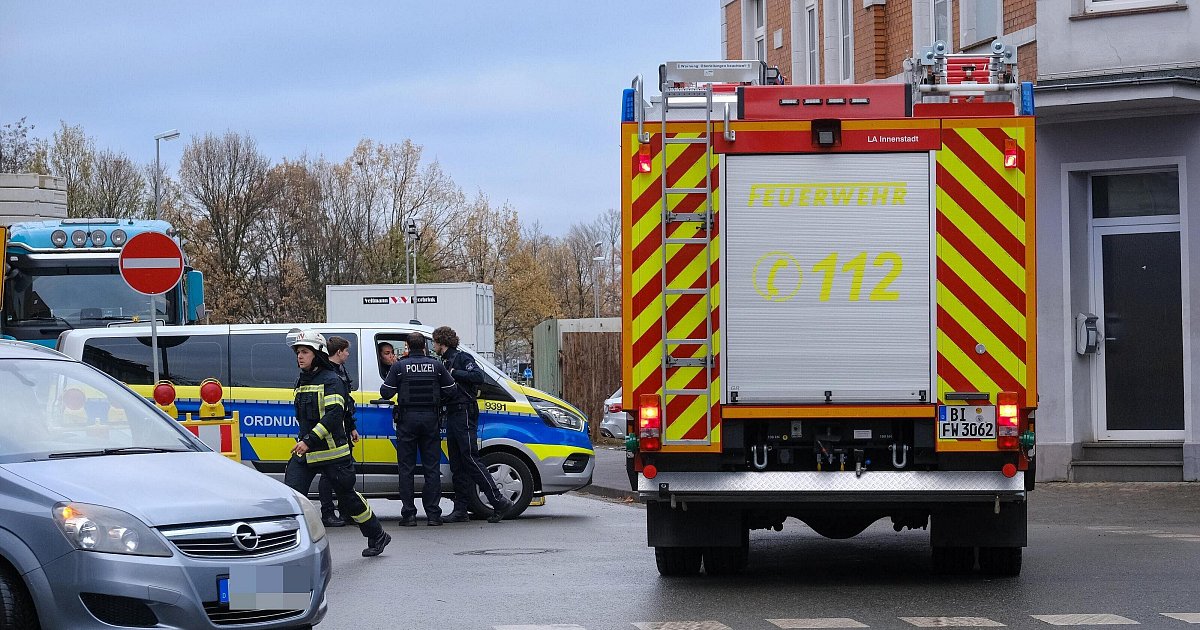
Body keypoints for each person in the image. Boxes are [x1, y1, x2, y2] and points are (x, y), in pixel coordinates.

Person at [284, 330, 390, 557]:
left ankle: (377, 534)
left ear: (318, 354)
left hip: (332, 453)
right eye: (298, 352)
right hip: (306, 452)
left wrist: (309, 441)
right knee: (292, 497)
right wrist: (305, 442)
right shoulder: (302, 381)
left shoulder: (332, 380)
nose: (299, 357)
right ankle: (293, 547)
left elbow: (333, 416)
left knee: (348, 497)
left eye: (304, 352)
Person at [433, 326, 514, 524]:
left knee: (470, 458)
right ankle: (460, 508)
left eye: (435, 342)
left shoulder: (461, 358)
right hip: (452, 413)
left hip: (464, 412)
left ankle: (498, 500)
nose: (433, 346)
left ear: (442, 343)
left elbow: (478, 377)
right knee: (457, 464)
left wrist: (455, 372)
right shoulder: (443, 360)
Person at [380, 333, 458, 527]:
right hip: (431, 419)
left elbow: (385, 392)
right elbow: (451, 389)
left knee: (406, 468)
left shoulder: (399, 366)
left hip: (407, 421)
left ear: (407, 346)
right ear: (425, 346)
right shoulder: (436, 365)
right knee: (432, 468)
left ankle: (409, 515)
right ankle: (433, 515)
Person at [317, 335, 359, 527]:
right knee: (328, 474)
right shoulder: (327, 373)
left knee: (343, 473)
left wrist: (352, 428)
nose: (348, 354)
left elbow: (346, 403)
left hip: (342, 429)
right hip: (330, 431)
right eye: (346, 351)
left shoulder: (340, 371)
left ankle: (345, 510)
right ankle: (327, 512)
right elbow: (333, 409)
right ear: (339, 352)